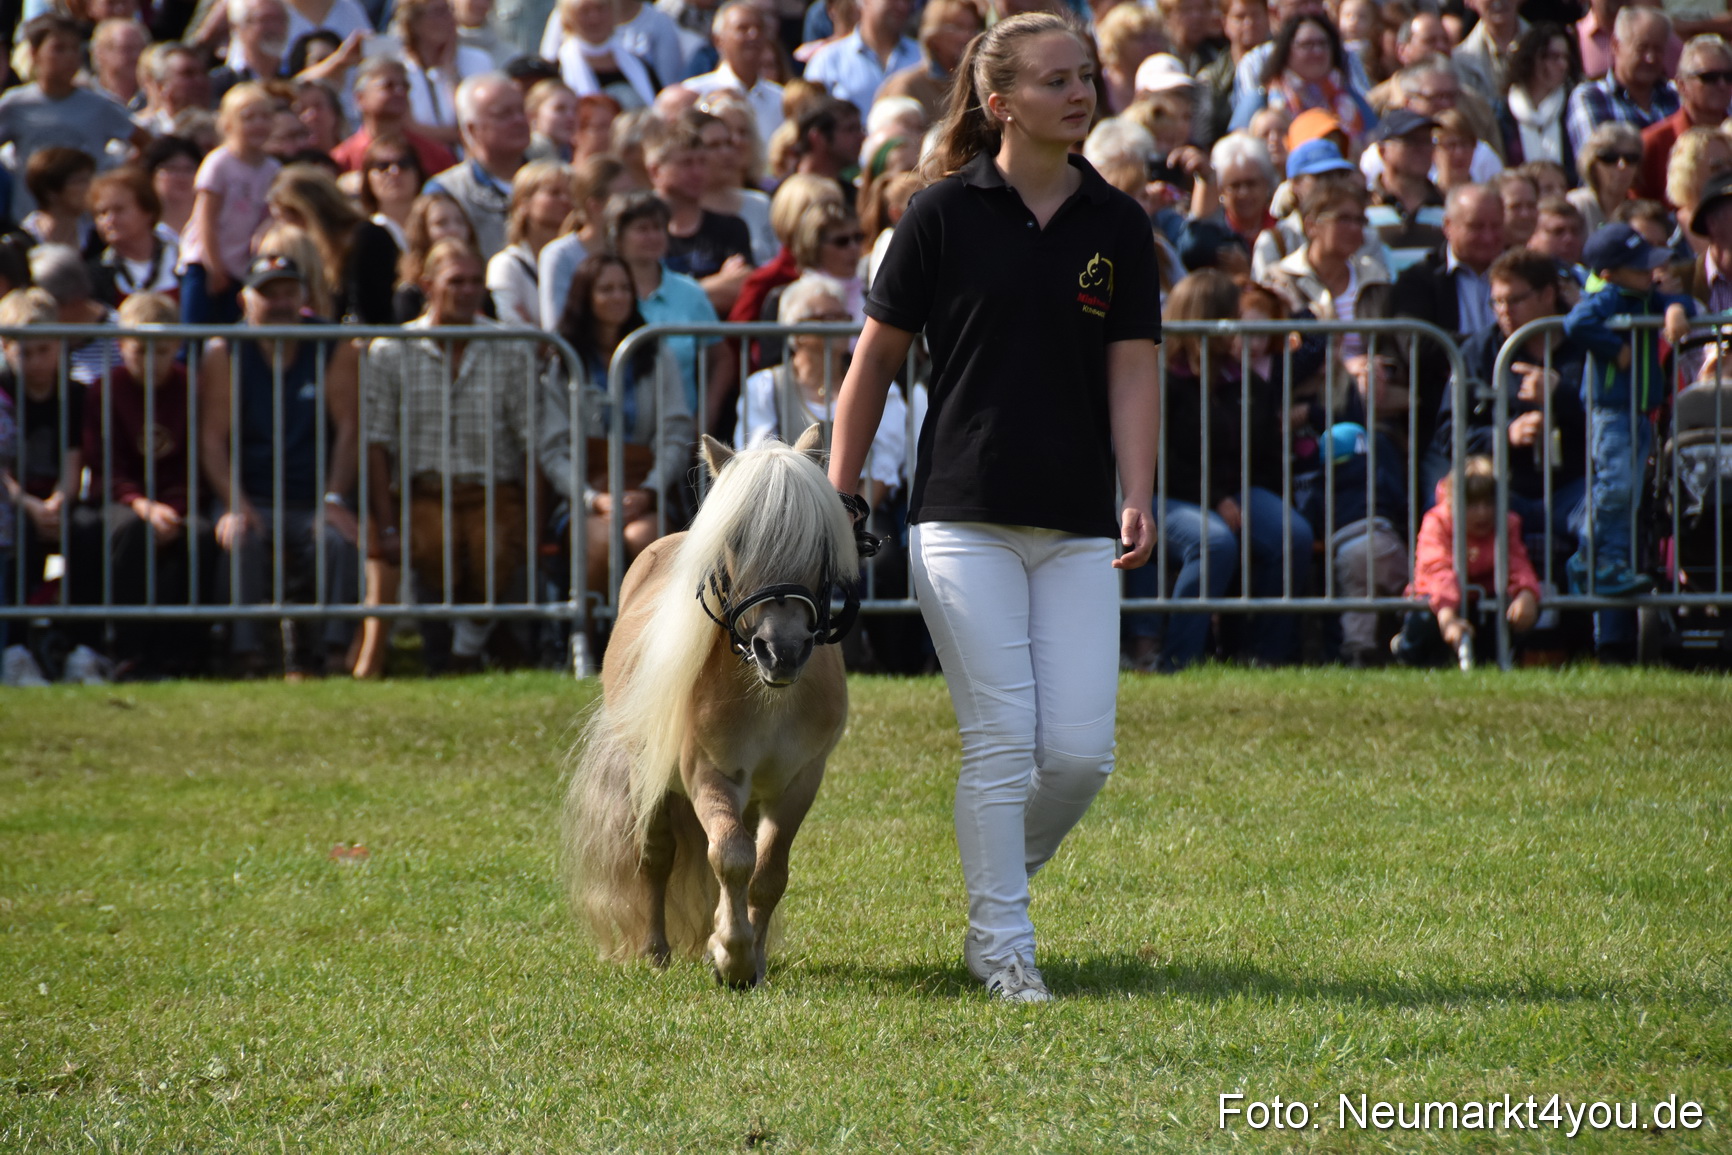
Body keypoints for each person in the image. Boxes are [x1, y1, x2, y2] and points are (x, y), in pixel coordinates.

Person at [826, 13, 1160, 1003]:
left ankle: (995, 878)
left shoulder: (1119, 224)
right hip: (958, 517)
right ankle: (1003, 947)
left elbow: (1135, 371)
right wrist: (838, 495)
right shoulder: (937, 215)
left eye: (1086, 76)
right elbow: (872, 365)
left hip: (1078, 525)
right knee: (1004, 744)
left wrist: (1138, 489)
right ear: (998, 101)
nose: (1079, 92)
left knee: (1079, 757)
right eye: (1056, 79)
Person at [363, 240, 541, 673]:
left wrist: (535, 516)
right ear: (427, 285)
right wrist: (386, 522)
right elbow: (376, 441)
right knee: (431, 548)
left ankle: (463, 651)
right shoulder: (390, 350)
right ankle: (454, 648)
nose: (466, 291)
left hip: (493, 488)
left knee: (495, 551)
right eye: (455, 281)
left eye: (475, 282)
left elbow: (530, 440)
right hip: (424, 488)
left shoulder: (511, 346)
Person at [1125, 270, 1311, 672]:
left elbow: (1261, 455)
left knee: (1292, 533)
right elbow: (1160, 461)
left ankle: (1265, 656)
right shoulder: (1160, 380)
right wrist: (1216, 500)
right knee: (1214, 542)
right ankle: (1176, 660)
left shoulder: (1245, 382)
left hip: (1233, 491)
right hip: (1164, 492)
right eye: (1231, 313)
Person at [198, 254, 362, 677]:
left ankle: (334, 655)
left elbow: (349, 430)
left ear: (304, 296)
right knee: (240, 538)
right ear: (244, 300)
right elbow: (212, 440)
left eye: (289, 292)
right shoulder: (224, 351)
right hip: (251, 493)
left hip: (313, 495)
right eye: (268, 293)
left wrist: (333, 498)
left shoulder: (333, 345)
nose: (281, 302)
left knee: (337, 540)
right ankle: (245, 655)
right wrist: (235, 502)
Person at [69, 293, 214, 677]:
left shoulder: (192, 388)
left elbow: (200, 461)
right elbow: (105, 464)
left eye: (162, 352)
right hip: (122, 500)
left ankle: (183, 653)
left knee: (199, 535)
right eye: (140, 352)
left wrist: (176, 508)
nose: (151, 363)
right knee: (130, 531)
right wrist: (143, 505)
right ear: (121, 346)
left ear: (178, 347)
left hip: (176, 501)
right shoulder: (105, 390)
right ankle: (126, 648)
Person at [1562, 221, 1697, 605]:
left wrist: (1673, 308)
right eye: (1639, 268)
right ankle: (1590, 557)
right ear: (1609, 274)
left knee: (1630, 493)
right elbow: (1577, 322)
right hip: (1611, 411)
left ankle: (1612, 563)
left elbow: (1684, 303)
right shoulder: (1608, 298)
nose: (1649, 273)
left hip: (1639, 411)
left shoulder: (1643, 296)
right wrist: (1613, 349)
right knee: (1616, 486)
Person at [542, 252, 693, 592]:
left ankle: (649, 644)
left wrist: (651, 490)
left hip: (646, 489)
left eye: (624, 288)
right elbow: (553, 450)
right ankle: (593, 640)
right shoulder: (563, 362)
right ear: (585, 296)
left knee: (645, 541)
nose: (618, 297)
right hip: (587, 495)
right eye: (606, 289)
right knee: (600, 542)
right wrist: (592, 498)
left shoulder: (655, 354)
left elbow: (675, 431)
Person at [1392, 455, 1542, 664]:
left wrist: (1526, 593)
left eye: (1489, 503)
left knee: (1520, 609)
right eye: (1471, 504)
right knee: (1425, 619)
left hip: (1484, 601)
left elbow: (1517, 562)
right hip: (1436, 600)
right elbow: (1438, 570)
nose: (1483, 513)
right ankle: (1408, 653)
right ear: (1454, 502)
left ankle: (1498, 659)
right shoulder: (1436, 521)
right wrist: (1448, 617)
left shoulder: (1507, 523)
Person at [0, 15, 151, 221]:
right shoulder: (15, 104)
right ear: (35, 54)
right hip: (30, 220)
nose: (70, 57)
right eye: (59, 49)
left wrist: (115, 178)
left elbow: (146, 142)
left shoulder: (98, 105)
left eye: (75, 49)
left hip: (89, 222)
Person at [181, 82, 281, 325]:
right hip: (206, 263)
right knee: (197, 327)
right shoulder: (219, 163)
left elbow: (269, 218)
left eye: (265, 117)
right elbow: (206, 219)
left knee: (232, 330)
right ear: (227, 124)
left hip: (242, 267)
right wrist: (214, 267)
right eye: (248, 118)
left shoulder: (273, 169)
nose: (258, 124)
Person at [266, 163, 403, 323]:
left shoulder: (367, 237)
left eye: (282, 218)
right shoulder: (309, 249)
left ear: (302, 212)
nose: (281, 227)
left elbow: (373, 310)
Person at [647, 122, 754, 313]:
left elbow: (740, 286)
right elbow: (644, 295)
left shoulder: (730, 227)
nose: (697, 172)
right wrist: (716, 282)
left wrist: (668, 296)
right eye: (686, 163)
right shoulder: (643, 231)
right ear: (655, 170)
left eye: (703, 162)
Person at [425, 72, 531, 261]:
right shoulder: (447, 193)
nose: (519, 120)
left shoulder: (554, 177)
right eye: (504, 114)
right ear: (473, 129)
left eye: (521, 110)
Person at [1566, 6, 1682, 157]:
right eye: (1642, 48)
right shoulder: (1592, 97)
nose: (1650, 58)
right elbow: (1600, 163)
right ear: (1616, 45)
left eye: (1658, 49)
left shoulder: (1676, 95)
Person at [1637, 34, 1732, 202]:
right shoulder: (1653, 143)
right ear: (1681, 85)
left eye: (1728, 77)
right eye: (1709, 77)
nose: (1722, 85)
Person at [330, 58, 461, 178]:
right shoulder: (342, 159)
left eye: (405, 86)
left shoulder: (436, 155)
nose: (399, 92)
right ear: (360, 98)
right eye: (388, 86)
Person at [395, 0, 495, 151]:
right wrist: (456, 135)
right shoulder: (398, 68)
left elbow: (476, 121)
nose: (449, 19)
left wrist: (451, 73)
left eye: (450, 10)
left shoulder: (478, 60)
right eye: (438, 12)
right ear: (414, 22)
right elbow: (406, 127)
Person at [683, 0, 786, 146]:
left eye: (759, 28)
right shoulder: (695, 93)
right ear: (718, 40)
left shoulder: (780, 99)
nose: (753, 35)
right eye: (742, 29)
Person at [485, 159, 573, 325]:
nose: (566, 200)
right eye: (554, 193)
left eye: (571, 194)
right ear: (523, 204)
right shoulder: (506, 264)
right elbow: (513, 325)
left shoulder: (579, 258)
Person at [805, 0, 921, 116]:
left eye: (908, 1)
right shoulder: (827, 60)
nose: (902, 6)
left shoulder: (922, 57)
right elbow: (811, 118)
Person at [88, 166, 182, 305]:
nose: (110, 220)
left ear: (148, 211)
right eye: (102, 213)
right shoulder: (93, 275)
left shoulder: (182, 259)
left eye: (119, 210)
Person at [877, 0, 983, 123]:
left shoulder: (977, 85)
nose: (967, 36)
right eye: (958, 27)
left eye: (973, 28)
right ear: (934, 33)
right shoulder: (908, 86)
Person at [1499, 24, 1580, 182]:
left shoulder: (1573, 106)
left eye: (1565, 57)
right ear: (1532, 58)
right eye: (1554, 57)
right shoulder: (1503, 112)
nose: (1563, 65)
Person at [552, 0, 662, 111]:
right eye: (584, 11)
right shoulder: (557, 70)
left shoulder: (640, 64)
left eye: (600, 8)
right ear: (568, 17)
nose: (594, 18)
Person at [1567, 120, 1644, 233]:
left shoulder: (1641, 213)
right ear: (1592, 165)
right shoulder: (1576, 206)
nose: (1622, 166)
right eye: (1610, 158)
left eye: (1631, 158)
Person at [357, 134, 426, 250]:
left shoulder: (435, 227)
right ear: (367, 178)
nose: (395, 171)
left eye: (404, 163)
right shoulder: (362, 235)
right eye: (382, 166)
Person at [21, 147, 98, 251]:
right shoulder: (20, 242)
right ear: (50, 191)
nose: (92, 187)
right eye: (81, 181)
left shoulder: (97, 240)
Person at [143, 136, 203, 242]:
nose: (181, 176)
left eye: (189, 169)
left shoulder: (213, 225)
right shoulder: (142, 231)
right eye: (172, 169)